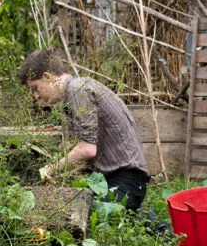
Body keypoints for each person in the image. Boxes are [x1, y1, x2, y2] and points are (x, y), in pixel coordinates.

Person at [17, 50, 151, 211]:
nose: (36, 96)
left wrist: (49, 170)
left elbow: (87, 149)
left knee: (80, 217)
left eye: (35, 88)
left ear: (47, 77)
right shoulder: (78, 89)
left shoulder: (77, 90)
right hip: (124, 181)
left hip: (124, 181)